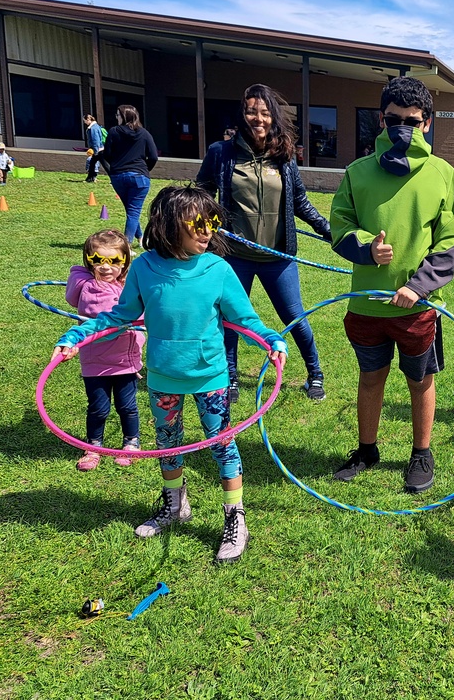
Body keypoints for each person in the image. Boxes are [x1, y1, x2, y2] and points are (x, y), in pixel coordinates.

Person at [53, 186, 288, 564]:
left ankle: (235, 517)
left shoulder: (218, 269)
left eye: (213, 221)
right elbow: (120, 316)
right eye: (198, 221)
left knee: (221, 442)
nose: (208, 229)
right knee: (168, 441)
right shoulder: (145, 267)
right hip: (162, 376)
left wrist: (273, 341)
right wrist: (76, 336)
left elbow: (245, 319)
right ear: (169, 224)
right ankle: (175, 504)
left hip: (209, 375)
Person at [329, 76, 454, 493]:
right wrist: (367, 248)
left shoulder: (442, 174)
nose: (402, 128)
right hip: (367, 306)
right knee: (370, 378)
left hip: (417, 309)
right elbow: (339, 225)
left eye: (412, 120)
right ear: (381, 119)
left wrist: (419, 286)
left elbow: (452, 239)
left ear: (426, 123)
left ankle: (421, 453)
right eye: (393, 120)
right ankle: (367, 449)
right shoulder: (358, 172)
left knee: (419, 380)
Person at [196, 84, 332, 403]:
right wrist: (202, 225)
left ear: (273, 117)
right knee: (229, 319)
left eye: (265, 113)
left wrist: (327, 230)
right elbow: (201, 195)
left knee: (294, 316)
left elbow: (299, 201)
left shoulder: (283, 156)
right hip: (234, 256)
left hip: (278, 256)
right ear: (242, 114)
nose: (258, 118)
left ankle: (315, 373)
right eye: (252, 111)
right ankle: (229, 377)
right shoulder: (222, 153)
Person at [65, 229, 145, 471]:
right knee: (98, 407)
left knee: (128, 406)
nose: (106, 267)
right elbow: (82, 303)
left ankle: (131, 443)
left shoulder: (128, 286)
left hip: (125, 358)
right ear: (89, 261)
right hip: (96, 360)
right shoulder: (88, 286)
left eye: (114, 261)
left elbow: (141, 316)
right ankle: (94, 447)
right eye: (98, 260)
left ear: (125, 262)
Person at [104, 105, 158, 246]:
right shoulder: (144, 133)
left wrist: (117, 164)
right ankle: (128, 245)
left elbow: (107, 154)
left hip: (118, 176)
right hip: (139, 177)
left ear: (124, 117)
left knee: (131, 210)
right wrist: (145, 169)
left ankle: (138, 239)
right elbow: (153, 156)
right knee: (133, 211)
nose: (116, 118)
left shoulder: (114, 132)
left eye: (118, 115)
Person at [83, 114, 110, 183]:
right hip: (100, 149)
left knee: (105, 165)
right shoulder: (97, 126)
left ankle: (114, 178)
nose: (85, 122)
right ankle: (90, 178)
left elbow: (95, 140)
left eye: (85, 121)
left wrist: (95, 151)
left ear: (88, 120)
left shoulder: (93, 128)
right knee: (92, 163)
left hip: (98, 150)